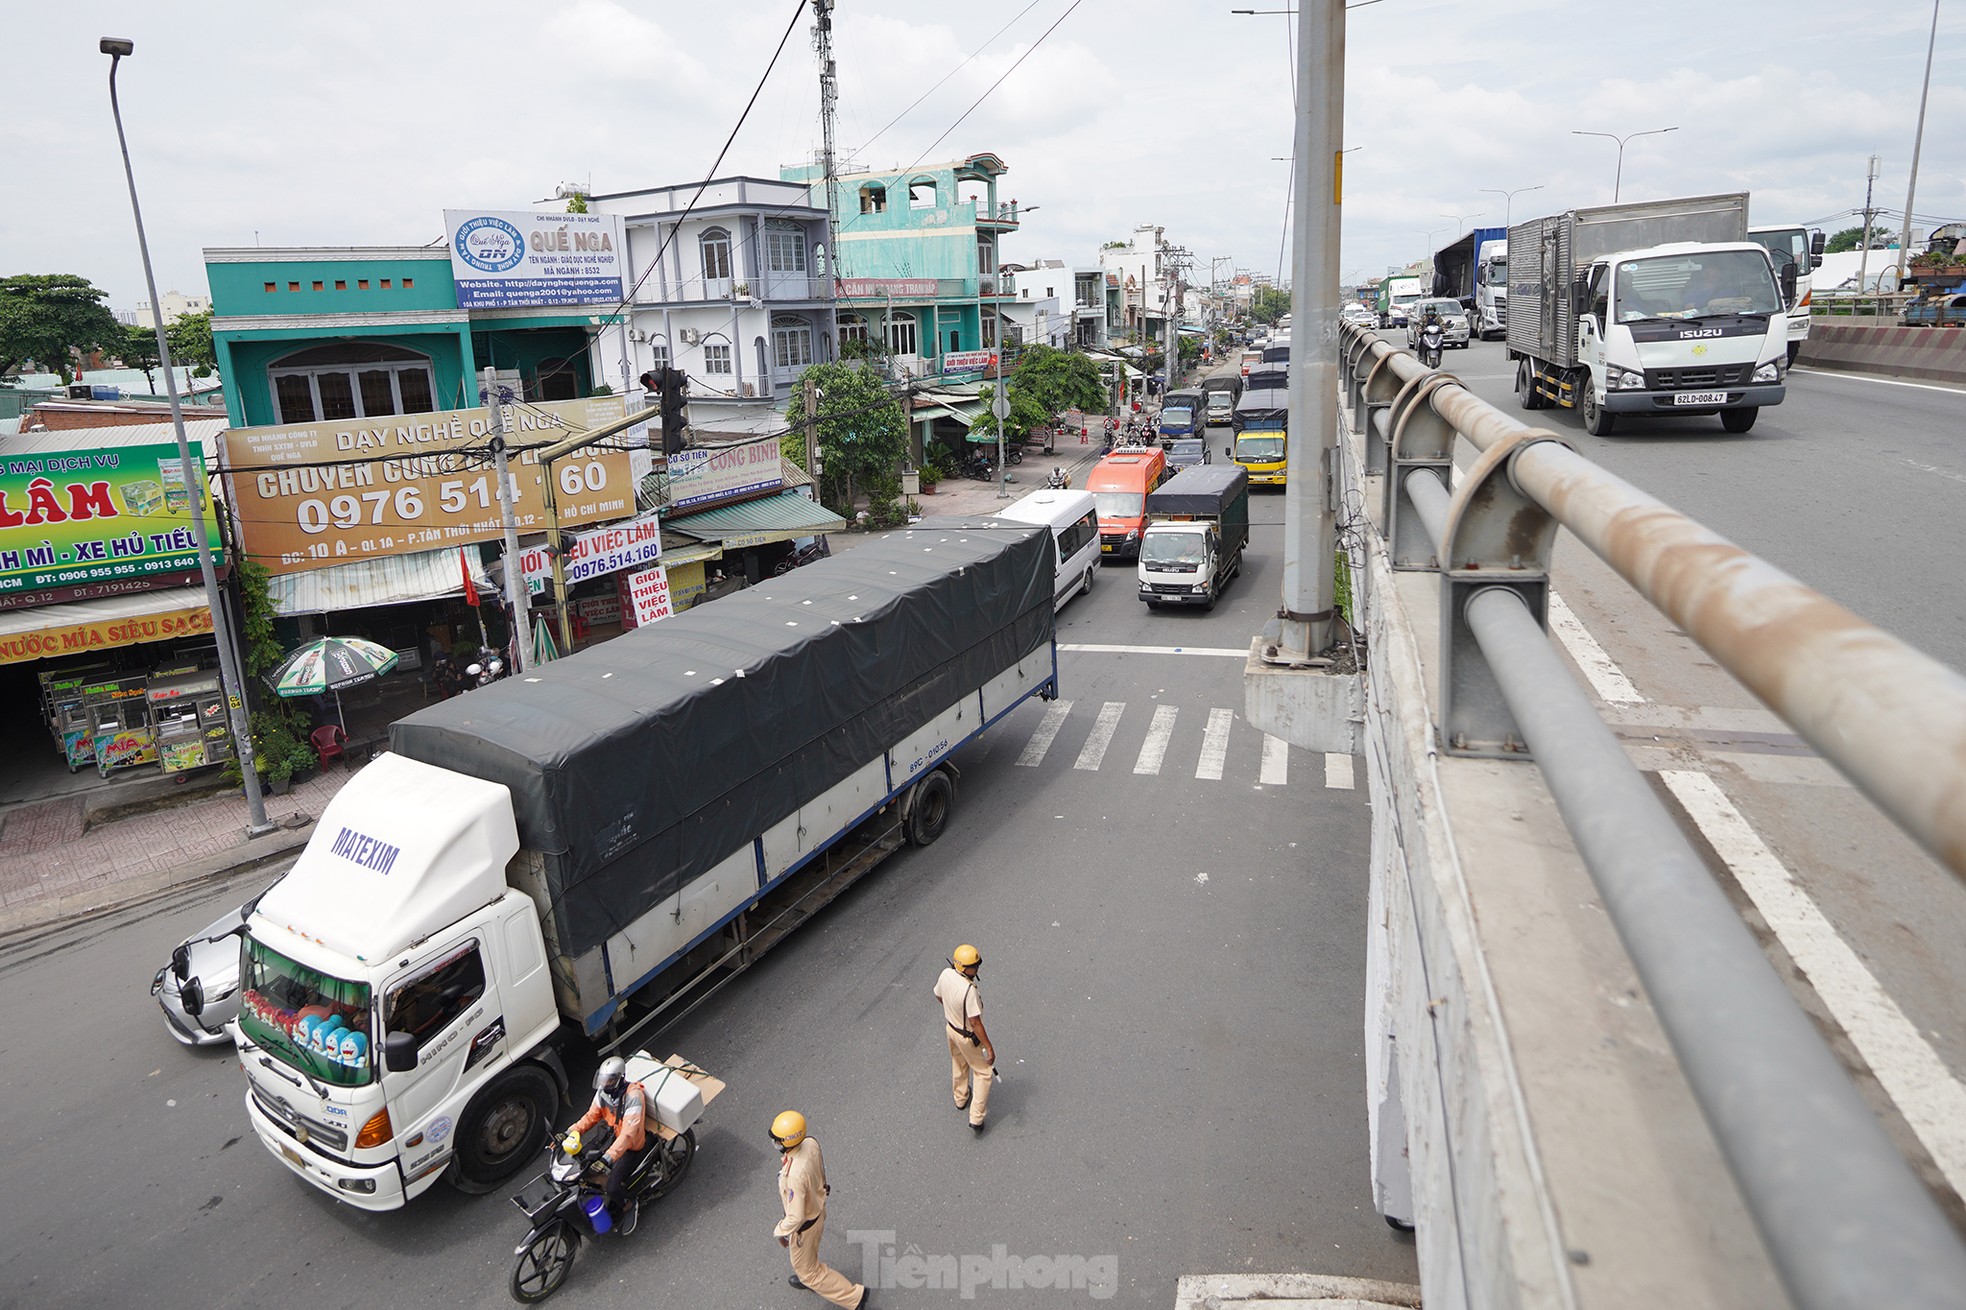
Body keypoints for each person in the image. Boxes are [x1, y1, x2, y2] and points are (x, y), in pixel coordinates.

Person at [770, 1111, 869, 1308]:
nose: (775, 1143)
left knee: (809, 1272)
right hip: (818, 1208)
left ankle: (853, 1297)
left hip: (805, 1225)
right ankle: (808, 1270)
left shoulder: (794, 1175)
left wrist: (781, 1230)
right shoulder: (810, 1143)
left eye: (777, 1140)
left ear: (787, 1142)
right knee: (808, 1257)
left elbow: (796, 1216)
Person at [568, 1056, 650, 1235]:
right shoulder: (603, 1093)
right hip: (613, 1137)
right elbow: (590, 1117)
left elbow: (628, 1135)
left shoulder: (634, 1096)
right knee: (582, 1167)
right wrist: (570, 1133)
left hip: (631, 1146)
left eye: (610, 1080)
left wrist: (607, 1158)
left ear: (621, 1078)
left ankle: (628, 1204)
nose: (605, 1084)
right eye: (603, 1080)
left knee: (613, 1186)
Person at [933, 944, 995, 1130]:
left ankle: (960, 1098)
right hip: (967, 1036)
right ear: (963, 967)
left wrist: (952, 1010)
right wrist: (989, 1048)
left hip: (951, 1029)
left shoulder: (945, 974)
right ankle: (976, 1117)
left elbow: (938, 995)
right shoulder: (969, 991)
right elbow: (975, 1023)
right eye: (974, 966)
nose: (976, 969)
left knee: (958, 1062)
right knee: (983, 1073)